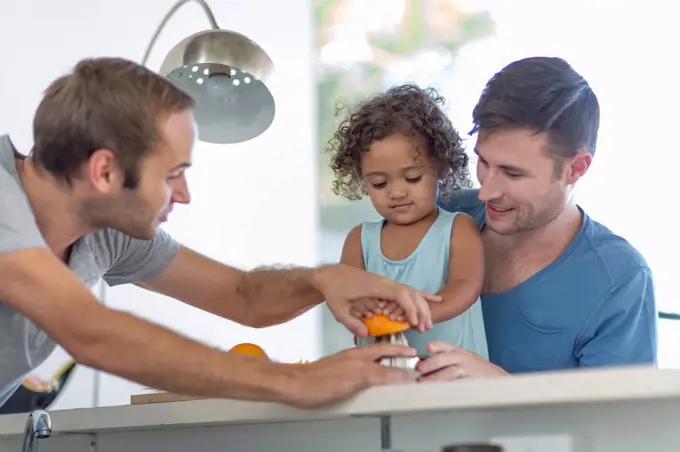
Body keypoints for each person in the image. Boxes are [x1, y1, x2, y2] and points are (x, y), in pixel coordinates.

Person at [0, 57, 443, 411]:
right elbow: (90, 331)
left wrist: (323, 280)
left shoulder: (105, 231)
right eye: (173, 174)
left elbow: (241, 294)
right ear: (105, 171)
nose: (184, 194)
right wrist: (294, 381)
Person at [415, 56, 657, 381]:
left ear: (576, 169)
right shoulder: (438, 216)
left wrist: (504, 391)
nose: (486, 192)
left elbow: (621, 427)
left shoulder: (620, 280)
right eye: (484, 162)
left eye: (513, 174)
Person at [326, 84, 488, 358]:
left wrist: (414, 314)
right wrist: (363, 310)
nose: (397, 192)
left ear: (440, 166)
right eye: (379, 183)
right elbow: (347, 297)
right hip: (384, 384)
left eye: (412, 178)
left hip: (456, 381)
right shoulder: (359, 240)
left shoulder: (458, 228)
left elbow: (466, 286)